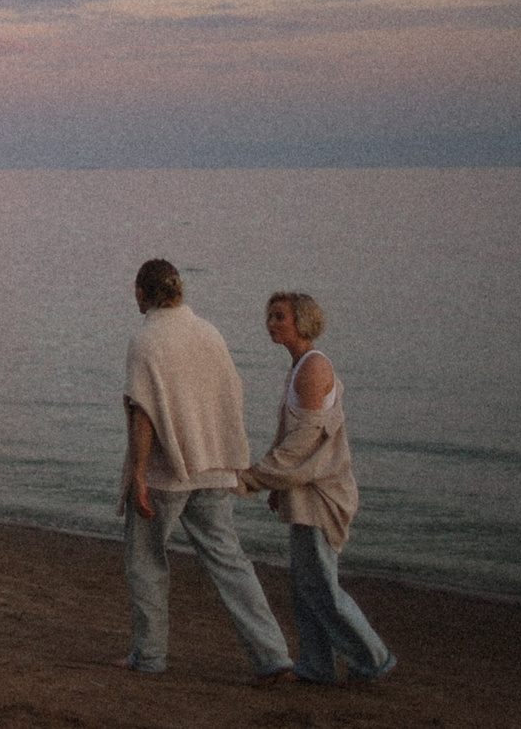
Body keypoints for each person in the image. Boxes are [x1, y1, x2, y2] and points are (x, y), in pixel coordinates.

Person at [117, 257, 293, 684]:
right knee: (230, 562)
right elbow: (232, 392)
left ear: (143, 293)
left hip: (167, 472)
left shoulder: (147, 340)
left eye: (136, 292)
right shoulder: (210, 333)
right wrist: (230, 455)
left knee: (146, 562)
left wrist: (138, 475)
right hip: (212, 466)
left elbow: (144, 413)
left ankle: (150, 657)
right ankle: (273, 656)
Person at [237, 292, 397, 686]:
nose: (271, 323)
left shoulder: (313, 367)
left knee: (321, 587)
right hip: (303, 492)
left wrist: (253, 478)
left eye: (280, 317)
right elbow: (291, 440)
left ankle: (372, 660)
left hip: (323, 496)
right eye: (269, 316)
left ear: (302, 322)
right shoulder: (298, 367)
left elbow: (304, 444)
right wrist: (276, 486)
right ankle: (316, 666)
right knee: (306, 585)